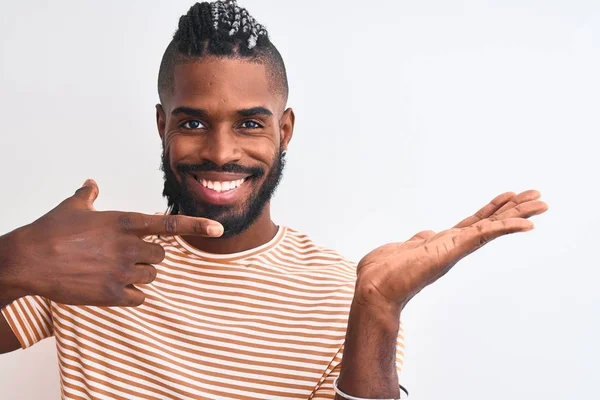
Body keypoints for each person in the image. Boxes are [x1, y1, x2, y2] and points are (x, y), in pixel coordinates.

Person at [0, 1, 548, 399]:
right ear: (162, 124)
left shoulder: (345, 292)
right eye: (193, 122)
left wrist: (378, 309)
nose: (221, 151)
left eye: (250, 124)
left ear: (284, 130)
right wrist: (13, 260)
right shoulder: (90, 261)